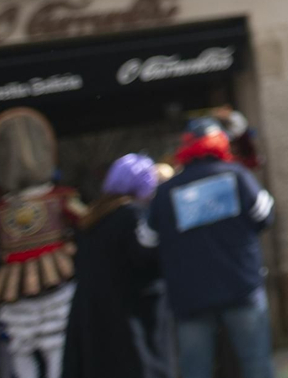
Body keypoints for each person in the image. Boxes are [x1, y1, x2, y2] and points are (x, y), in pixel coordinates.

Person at [0, 108, 85, 378]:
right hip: (56, 279)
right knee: (53, 346)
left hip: (15, 286)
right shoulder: (59, 200)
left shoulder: (0, 212)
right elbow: (86, 220)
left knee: (21, 348)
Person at [143, 119, 276, 378]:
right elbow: (265, 216)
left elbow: (147, 242)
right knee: (255, 362)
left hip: (189, 295)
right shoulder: (237, 176)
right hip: (241, 287)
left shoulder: (167, 190)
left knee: (196, 369)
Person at [62, 154, 172, 378]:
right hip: (131, 322)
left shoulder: (92, 218)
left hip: (94, 319)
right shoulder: (133, 217)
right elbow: (147, 261)